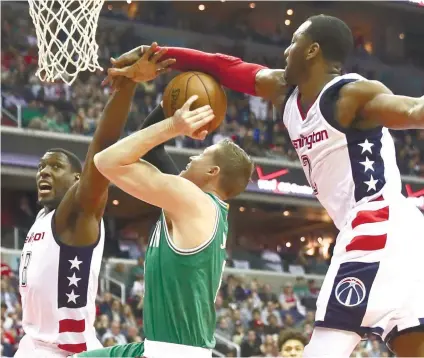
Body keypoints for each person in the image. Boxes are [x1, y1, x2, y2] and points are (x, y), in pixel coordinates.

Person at [107, 14, 424, 357]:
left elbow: (412, 110)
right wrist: (156, 54)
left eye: (294, 42)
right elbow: (225, 67)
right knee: (411, 344)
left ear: (312, 50)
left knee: (323, 349)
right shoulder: (283, 93)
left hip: (377, 220)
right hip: (396, 232)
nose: (286, 50)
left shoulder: (351, 95)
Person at [74, 64, 254, 357]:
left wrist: (175, 126)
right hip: (159, 347)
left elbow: (106, 161)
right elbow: (153, 150)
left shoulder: (192, 201)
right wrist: (172, 103)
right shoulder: (197, 203)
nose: (192, 156)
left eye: (201, 155)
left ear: (212, 171)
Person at [14, 44, 174, 358]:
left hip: (67, 352)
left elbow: (101, 152)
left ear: (78, 180)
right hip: (32, 345)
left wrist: (126, 87)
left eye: (56, 167)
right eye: (41, 167)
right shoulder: (43, 218)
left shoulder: (76, 213)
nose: (44, 172)